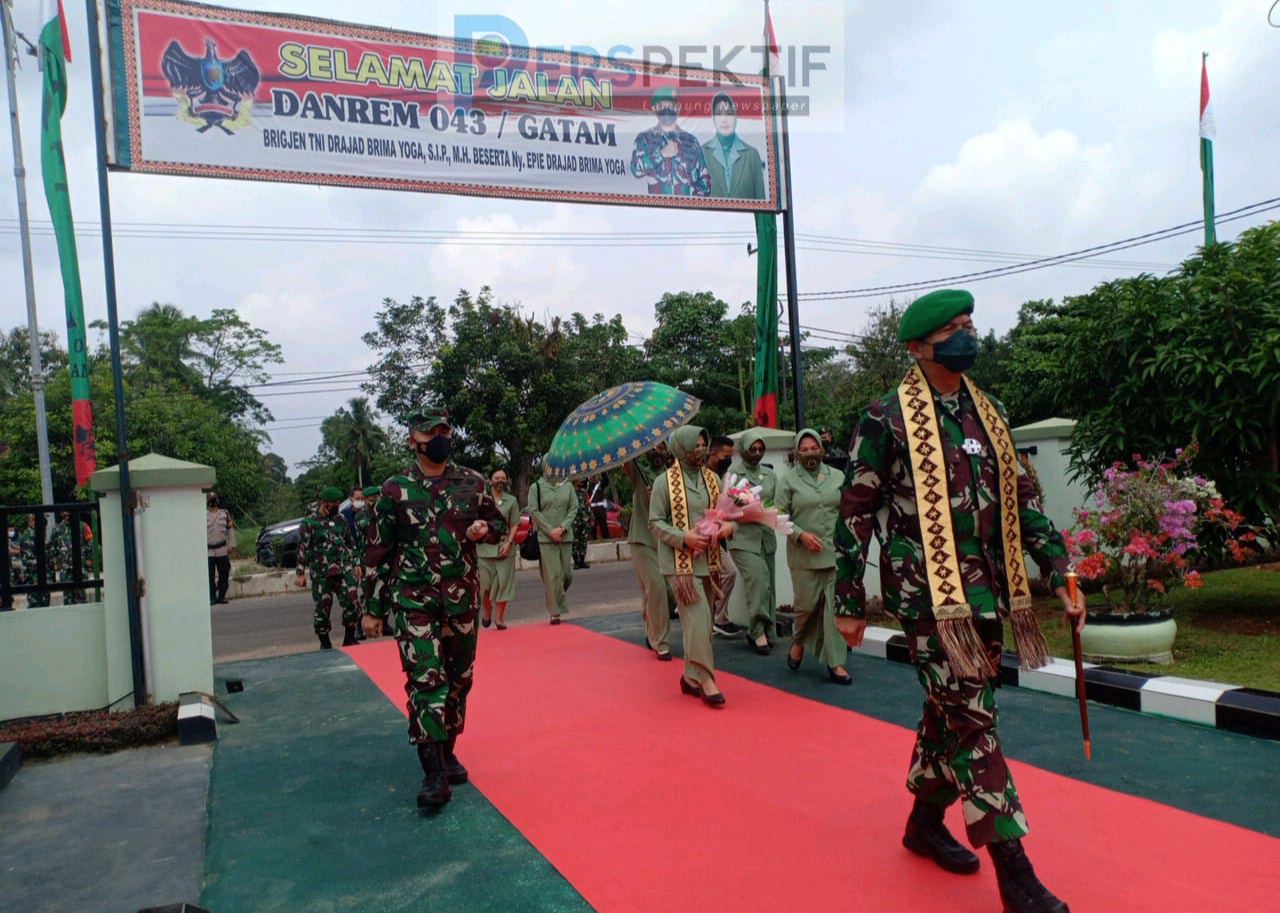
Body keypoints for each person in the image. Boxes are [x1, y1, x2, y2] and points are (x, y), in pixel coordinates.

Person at [833, 288, 1084, 913]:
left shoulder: (990, 412)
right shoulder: (885, 417)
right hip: (928, 601)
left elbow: (1024, 503)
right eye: (951, 328)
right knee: (975, 722)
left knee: (949, 715)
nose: (966, 333)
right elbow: (856, 509)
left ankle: (922, 824)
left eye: (968, 322)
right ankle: (1018, 877)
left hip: (990, 597)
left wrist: (1061, 573)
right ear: (918, 347)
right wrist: (849, 599)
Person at [361, 405, 506, 810]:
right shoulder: (395, 490)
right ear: (414, 441)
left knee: (459, 682)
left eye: (445, 431)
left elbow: (498, 525)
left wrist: (484, 530)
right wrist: (371, 609)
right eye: (432, 433)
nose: (440, 438)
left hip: (461, 602)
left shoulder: (471, 482)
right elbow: (377, 552)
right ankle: (433, 775)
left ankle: (446, 752)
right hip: (414, 603)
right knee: (427, 682)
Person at [650, 425, 736, 707]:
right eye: (695, 444)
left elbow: (724, 514)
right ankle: (707, 680)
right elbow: (655, 522)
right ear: (680, 447)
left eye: (703, 443)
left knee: (704, 622)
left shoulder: (712, 478)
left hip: (708, 562)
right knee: (699, 621)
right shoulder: (664, 482)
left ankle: (689, 676)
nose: (701, 449)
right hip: (680, 565)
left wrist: (727, 527)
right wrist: (683, 537)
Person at [775, 430, 850, 684]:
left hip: (834, 554)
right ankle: (798, 641)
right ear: (797, 452)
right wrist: (800, 535)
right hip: (803, 557)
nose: (809, 453)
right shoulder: (787, 480)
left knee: (833, 609)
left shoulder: (838, 476)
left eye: (813, 447)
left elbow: (848, 510)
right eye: (804, 449)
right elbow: (778, 514)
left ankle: (835, 662)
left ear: (822, 449)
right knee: (807, 608)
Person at [727, 429, 778, 654]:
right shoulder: (733, 473)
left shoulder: (770, 475)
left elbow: (776, 503)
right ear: (743, 450)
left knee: (769, 585)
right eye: (752, 449)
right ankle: (756, 631)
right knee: (758, 581)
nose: (756, 453)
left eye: (760, 449)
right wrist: (745, 506)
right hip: (743, 537)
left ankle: (768, 628)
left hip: (766, 537)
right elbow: (727, 506)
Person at [622, 444, 674, 661]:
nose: (656, 449)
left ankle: (650, 618)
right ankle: (660, 642)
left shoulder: (674, 475)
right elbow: (625, 462)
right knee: (657, 588)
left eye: (661, 445)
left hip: (668, 541)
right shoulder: (639, 472)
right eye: (652, 446)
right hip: (643, 540)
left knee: (670, 594)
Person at [295, 486, 361, 649]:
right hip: (322, 571)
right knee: (323, 609)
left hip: (343, 568)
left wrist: (356, 562)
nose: (337, 506)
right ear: (323, 502)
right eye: (333, 503)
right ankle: (325, 643)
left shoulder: (341, 519)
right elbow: (302, 548)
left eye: (338, 503)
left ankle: (350, 637)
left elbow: (350, 542)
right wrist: (300, 573)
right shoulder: (309, 522)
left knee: (352, 602)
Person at [630, 86, 711, 197]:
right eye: (662, 105)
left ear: (678, 108)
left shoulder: (691, 141)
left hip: (687, 211)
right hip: (657, 211)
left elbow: (705, 182)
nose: (667, 109)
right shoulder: (644, 139)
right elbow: (636, 170)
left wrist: (692, 201)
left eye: (671, 105)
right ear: (654, 108)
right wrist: (661, 154)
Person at [528, 458, 577, 624]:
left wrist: (562, 528)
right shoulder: (537, 488)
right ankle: (555, 612)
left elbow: (573, 508)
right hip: (546, 539)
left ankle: (552, 595)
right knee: (554, 576)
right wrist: (550, 530)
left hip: (565, 536)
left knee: (566, 575)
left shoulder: (568, 486)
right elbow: (534, 511)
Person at [706, 434, 742, 637]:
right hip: (703, 536)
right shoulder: (702, 476)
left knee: (726, 573)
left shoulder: (722, 476)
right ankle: (715, 618)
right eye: (725, 455)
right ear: (713, 454)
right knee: (724, 573)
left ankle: (718, 617)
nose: (728, 460)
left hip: (718, 536)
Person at [701, 91, 766, 200]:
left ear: (736, 117)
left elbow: (762, 205)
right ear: (713, 119)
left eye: (729, 113)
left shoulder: (751, 155)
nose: (724, 120)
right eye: (719, 114)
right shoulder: (702, 154)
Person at [477, 468, 519, 630]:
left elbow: (515, 523)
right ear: (490, 481)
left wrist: (509, 542)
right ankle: (487, 610)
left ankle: (500, 619)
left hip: (504, 549)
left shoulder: (512, 501)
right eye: (497, 478)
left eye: (503, 478)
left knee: (503, 585)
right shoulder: (482, 500)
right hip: (484, 549)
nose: (500, 480)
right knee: (484, 587)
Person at [52, 510, 94, 605]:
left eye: (69, 514)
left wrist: (88, 557)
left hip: (80, 565)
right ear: (62, 514)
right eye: (65, 514)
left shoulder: (83, 526)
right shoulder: (57, 529)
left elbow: (91, 543)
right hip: (65, 567)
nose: (67, 517)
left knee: (81, 596)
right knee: (67, 597)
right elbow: (52, 547)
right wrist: (55, 562)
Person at [206, 491, 234, 605]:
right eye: (211, 500)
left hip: (222, 549)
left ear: (217, 501)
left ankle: (222, 596)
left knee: (224, 573)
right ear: (207, 502)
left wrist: (231, 544)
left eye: (214, 500)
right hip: (209, 551)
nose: (213, 502)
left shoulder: (225, 514)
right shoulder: (202, 515)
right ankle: (212, 597)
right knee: (209, 576)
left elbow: (230, 530)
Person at [17, 514, 50, 609]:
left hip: (42, 576)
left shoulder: (38, 534)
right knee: (35, 605)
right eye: (36, 520)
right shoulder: (28, 536)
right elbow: (27, 560)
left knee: (45, 604)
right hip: (34, 577)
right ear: (30, 521)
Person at [571, 479, 592, 570]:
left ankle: (582, 561)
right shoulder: (570, 492)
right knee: (574, 541)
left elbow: (587, 504)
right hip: (574, 520)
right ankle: (576, 562)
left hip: (584, 520)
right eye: (579, 480)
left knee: (583, 540)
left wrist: (591, 517)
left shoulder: (583, 492)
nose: (581, 482)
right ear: (575, 481)